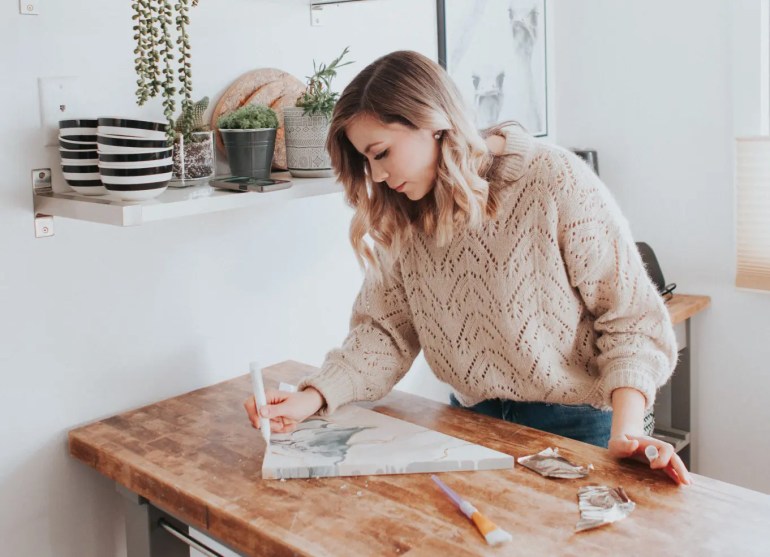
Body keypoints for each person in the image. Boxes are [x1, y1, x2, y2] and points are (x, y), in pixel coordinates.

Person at [244, 50, 690, 485]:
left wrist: (627, 433)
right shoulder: (405, 213)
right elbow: (385, 332)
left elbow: (632, 321)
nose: (376, 175)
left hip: (576, 429)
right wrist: (312, 396)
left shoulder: (553, 180)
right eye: (366, 160)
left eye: (381, 152)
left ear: (432, 122)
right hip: (470, 426)